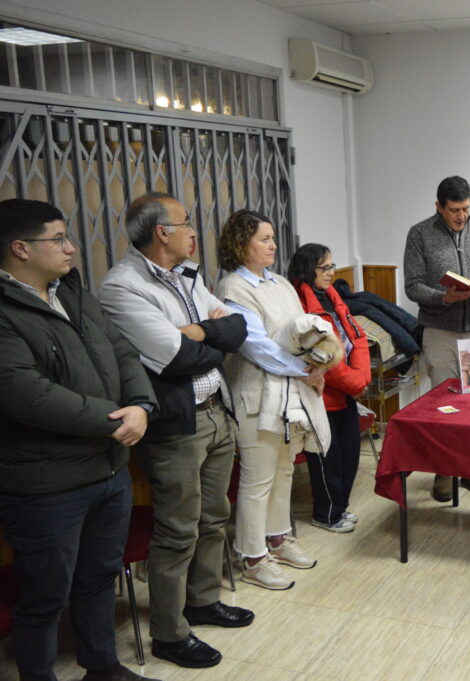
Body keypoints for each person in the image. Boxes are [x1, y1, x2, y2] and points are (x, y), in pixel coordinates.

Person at [0, 199, 158, 681]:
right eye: (59, 239)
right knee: (44, 597)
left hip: (108, 469)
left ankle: (102, 666)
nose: (72, 248)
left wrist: (141, 405)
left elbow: (122, 350)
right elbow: (29, 395)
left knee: (98, 579)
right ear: (20, 249)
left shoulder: (70, 292)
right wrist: (115, 420)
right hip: (47, 484)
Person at [98, 193, 252, 668]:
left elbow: (239, 328)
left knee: (213, 517)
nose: (194, 232)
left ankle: (202, 601)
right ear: (161, 232)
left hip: (215, 408)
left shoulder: (187, 274)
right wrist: (205, 333)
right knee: (178, 528)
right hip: (175, 422)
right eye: (186, 223)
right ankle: (169, 631)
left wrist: (197, 331)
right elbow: (175, 358)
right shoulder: (122, 287)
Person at [214, 209, 330, 590]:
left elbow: (306, 333)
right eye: (264, 239)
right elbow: (257, 347)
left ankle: (278, 539)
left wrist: (321, 364)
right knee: (257, 478)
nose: (273, 245)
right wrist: (306, 370)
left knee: (284, 472)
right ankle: (252, 557)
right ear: (240, 244)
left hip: (290, 394)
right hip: (255, 395)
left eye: (272, 238)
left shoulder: (279, 282)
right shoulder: (233, 288)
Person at [402, 175, 470, 503]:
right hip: (439, 331)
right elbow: (413, 284)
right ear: (438, 207)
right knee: (444, 404)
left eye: (465, 208)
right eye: (454, 210)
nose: (461, 216)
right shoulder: (420, 234)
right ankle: (444, 471)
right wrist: (443, 298)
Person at [287, 243, 371, 534]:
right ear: (307, 269)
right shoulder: (299, 303)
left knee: (349, 453)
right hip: (321, 394)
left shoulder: (332, 296)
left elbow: (356, 336)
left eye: (332, 266)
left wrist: (360, 377)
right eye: (325, 268)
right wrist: (354, 381)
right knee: (326, 459)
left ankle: (340, 507)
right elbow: (321, 355)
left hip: (346, 390)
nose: (332, 272)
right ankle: (326, 514)